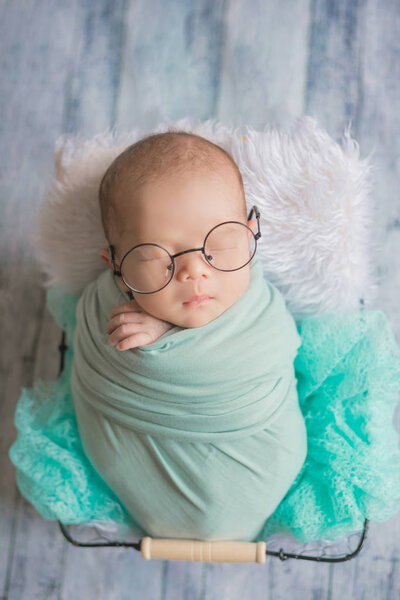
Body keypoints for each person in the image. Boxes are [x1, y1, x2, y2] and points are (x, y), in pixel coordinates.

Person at [70, 131, 308, 541]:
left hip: (254, 457)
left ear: (250, 232)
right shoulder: (103, 308)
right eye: (156, 255)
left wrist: (167, 327)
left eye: (217, 242)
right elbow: (103, 364)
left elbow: (270, 345)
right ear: (115, 267)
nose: (195, 271)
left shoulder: (257, 303)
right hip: (139, 450)